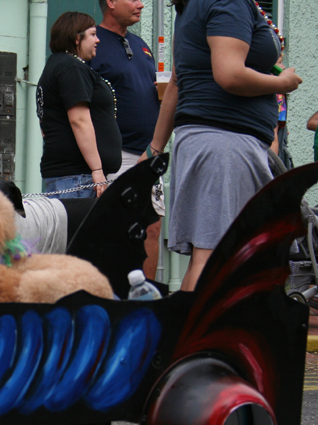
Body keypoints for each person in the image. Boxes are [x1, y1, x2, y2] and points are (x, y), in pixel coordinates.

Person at [140, 0, 301, 292]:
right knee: (214, 257)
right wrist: (282, 83)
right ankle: (196, 338)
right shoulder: (228, 1)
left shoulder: (192, 6)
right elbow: (229, 74)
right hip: (224, 145)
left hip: (206, 142)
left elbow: (177, 80)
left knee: (206, 255)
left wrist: (155, 148)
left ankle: (186, 334)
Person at [89, 0, 163, 279]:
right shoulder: (91, 41)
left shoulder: (141, 44)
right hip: (113, 156)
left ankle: (145, 304)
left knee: (152, 228)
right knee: (113, 230)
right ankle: (110, 303)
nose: (141, 4)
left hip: (149, 154)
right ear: (110, 2)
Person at [36, 11, 122, 199]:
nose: (98, 40)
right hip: (78, 180)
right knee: (79, 230)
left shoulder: (56, 66)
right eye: (92, 34)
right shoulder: (71, 67)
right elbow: (79, 120)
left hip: (71, 177)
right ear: (77, 38)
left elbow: (45, 126)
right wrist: (97, 170)